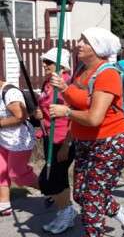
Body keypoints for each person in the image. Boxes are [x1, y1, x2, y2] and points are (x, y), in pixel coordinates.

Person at [49, 27, 124, 236]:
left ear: (98, 48)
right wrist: (63, 88)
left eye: (85, 41)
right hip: (86, 142)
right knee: (82, 195)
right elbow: (80, 102)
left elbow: (94, 117)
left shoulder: (108, 74)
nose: (79, 43)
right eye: (81, 39)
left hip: (110, 142)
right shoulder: (81, 69)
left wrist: (66, 112)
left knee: (91, 201)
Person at [34, 48, 76, 234]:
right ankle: (64, 213)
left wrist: (67, 144)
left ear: (62, 67)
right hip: (48, 138)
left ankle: (67, 212)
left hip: (63, 140)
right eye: (45, 61)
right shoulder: (47, 84)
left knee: (48, 180)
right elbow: (45, 108)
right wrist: (38, 113)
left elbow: (74, 117)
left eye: (49, 62)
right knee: (60, 179)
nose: (44, 65)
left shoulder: (68, 85)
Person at [0, 80, 40, 217]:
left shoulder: (10, 92)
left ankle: (50, 190)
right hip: (3, 139)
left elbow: (20, 116)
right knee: (1, 171)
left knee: (17, 173)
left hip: (19, 140)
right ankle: (4, 204)